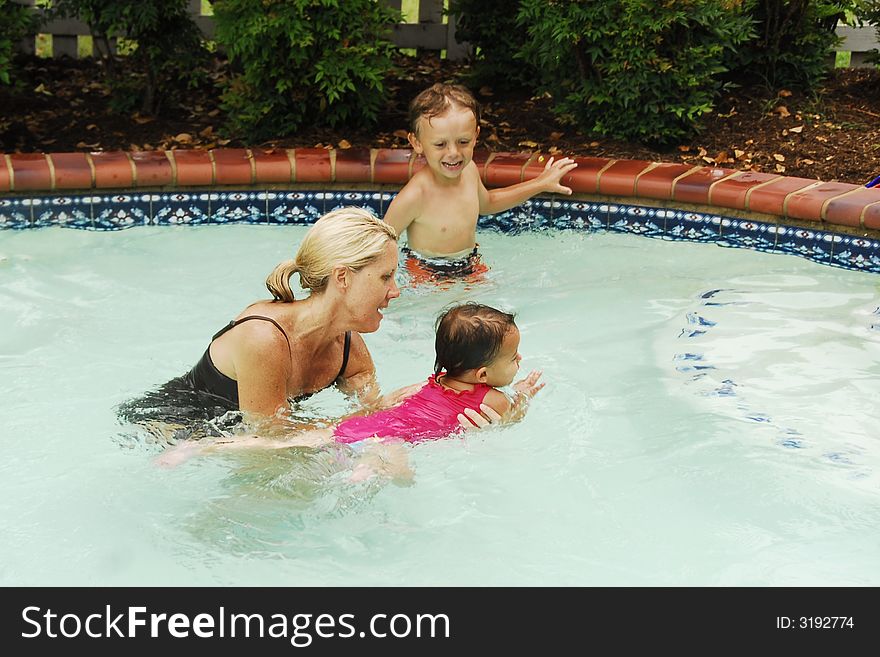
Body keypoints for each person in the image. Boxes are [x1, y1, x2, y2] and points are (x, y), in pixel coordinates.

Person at [119, 206, 497, 441]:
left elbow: (373, 415)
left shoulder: (349, 349)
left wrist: (452, 407)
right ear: (343, 277)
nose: (395, 291)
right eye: (385, 277)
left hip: (229, 440)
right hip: (161, 433)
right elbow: (268, 437)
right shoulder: (263, 339)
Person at [156, 303, 544, 480]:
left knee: (283, 443)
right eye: (513, 359)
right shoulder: (492, 399)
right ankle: (360, 475)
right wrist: (522, 396)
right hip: (389, 439)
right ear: (481, 374)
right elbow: (510, 417)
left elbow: (399, 406)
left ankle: (201, 447)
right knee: (400, 474)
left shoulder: (428, 383)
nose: (519, 362)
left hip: (359, 427)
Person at [384, 83, 578, 280]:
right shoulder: (415, 195)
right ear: (417, 143)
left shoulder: (469, 171)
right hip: (425, 271)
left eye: (463, 142)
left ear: (475, 136)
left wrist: (540, 183)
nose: (453, 153)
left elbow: (488, 203)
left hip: (469, 263)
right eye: (440, 144)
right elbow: (381, 243)